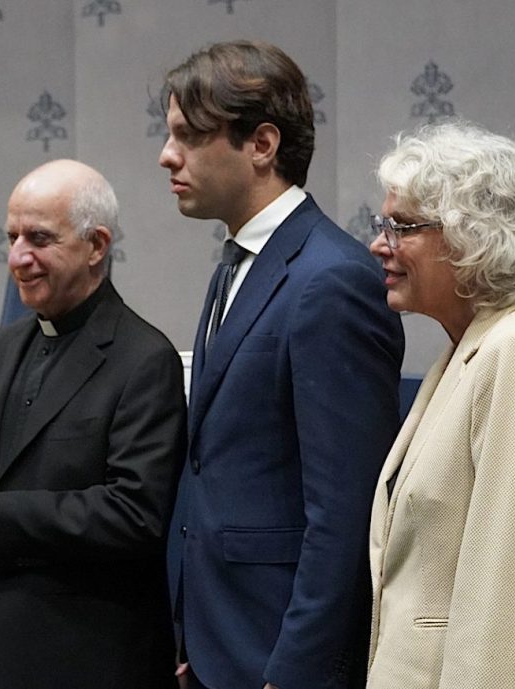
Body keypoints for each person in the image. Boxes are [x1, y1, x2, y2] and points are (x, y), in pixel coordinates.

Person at [159, 40, 405, 689]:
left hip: (278, 658)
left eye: (188, 135)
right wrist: (191, 632)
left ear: (262, 144)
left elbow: (345, 508)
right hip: (219, 645)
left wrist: (300, 668)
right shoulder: (235, 266)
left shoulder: (333, 280)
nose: (167, 155)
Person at [0, 159, 187, 689]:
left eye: (39, 239)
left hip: (81, 655)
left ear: (96, 246)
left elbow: (135, 515)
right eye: (12, 237)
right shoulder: (2, 346)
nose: (17, 258)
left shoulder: (144, 359)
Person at [365, 121, 515, 688]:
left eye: (402, 226)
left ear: (471, 237)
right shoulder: (465, 355)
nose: (379, 244)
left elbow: (506, 598)